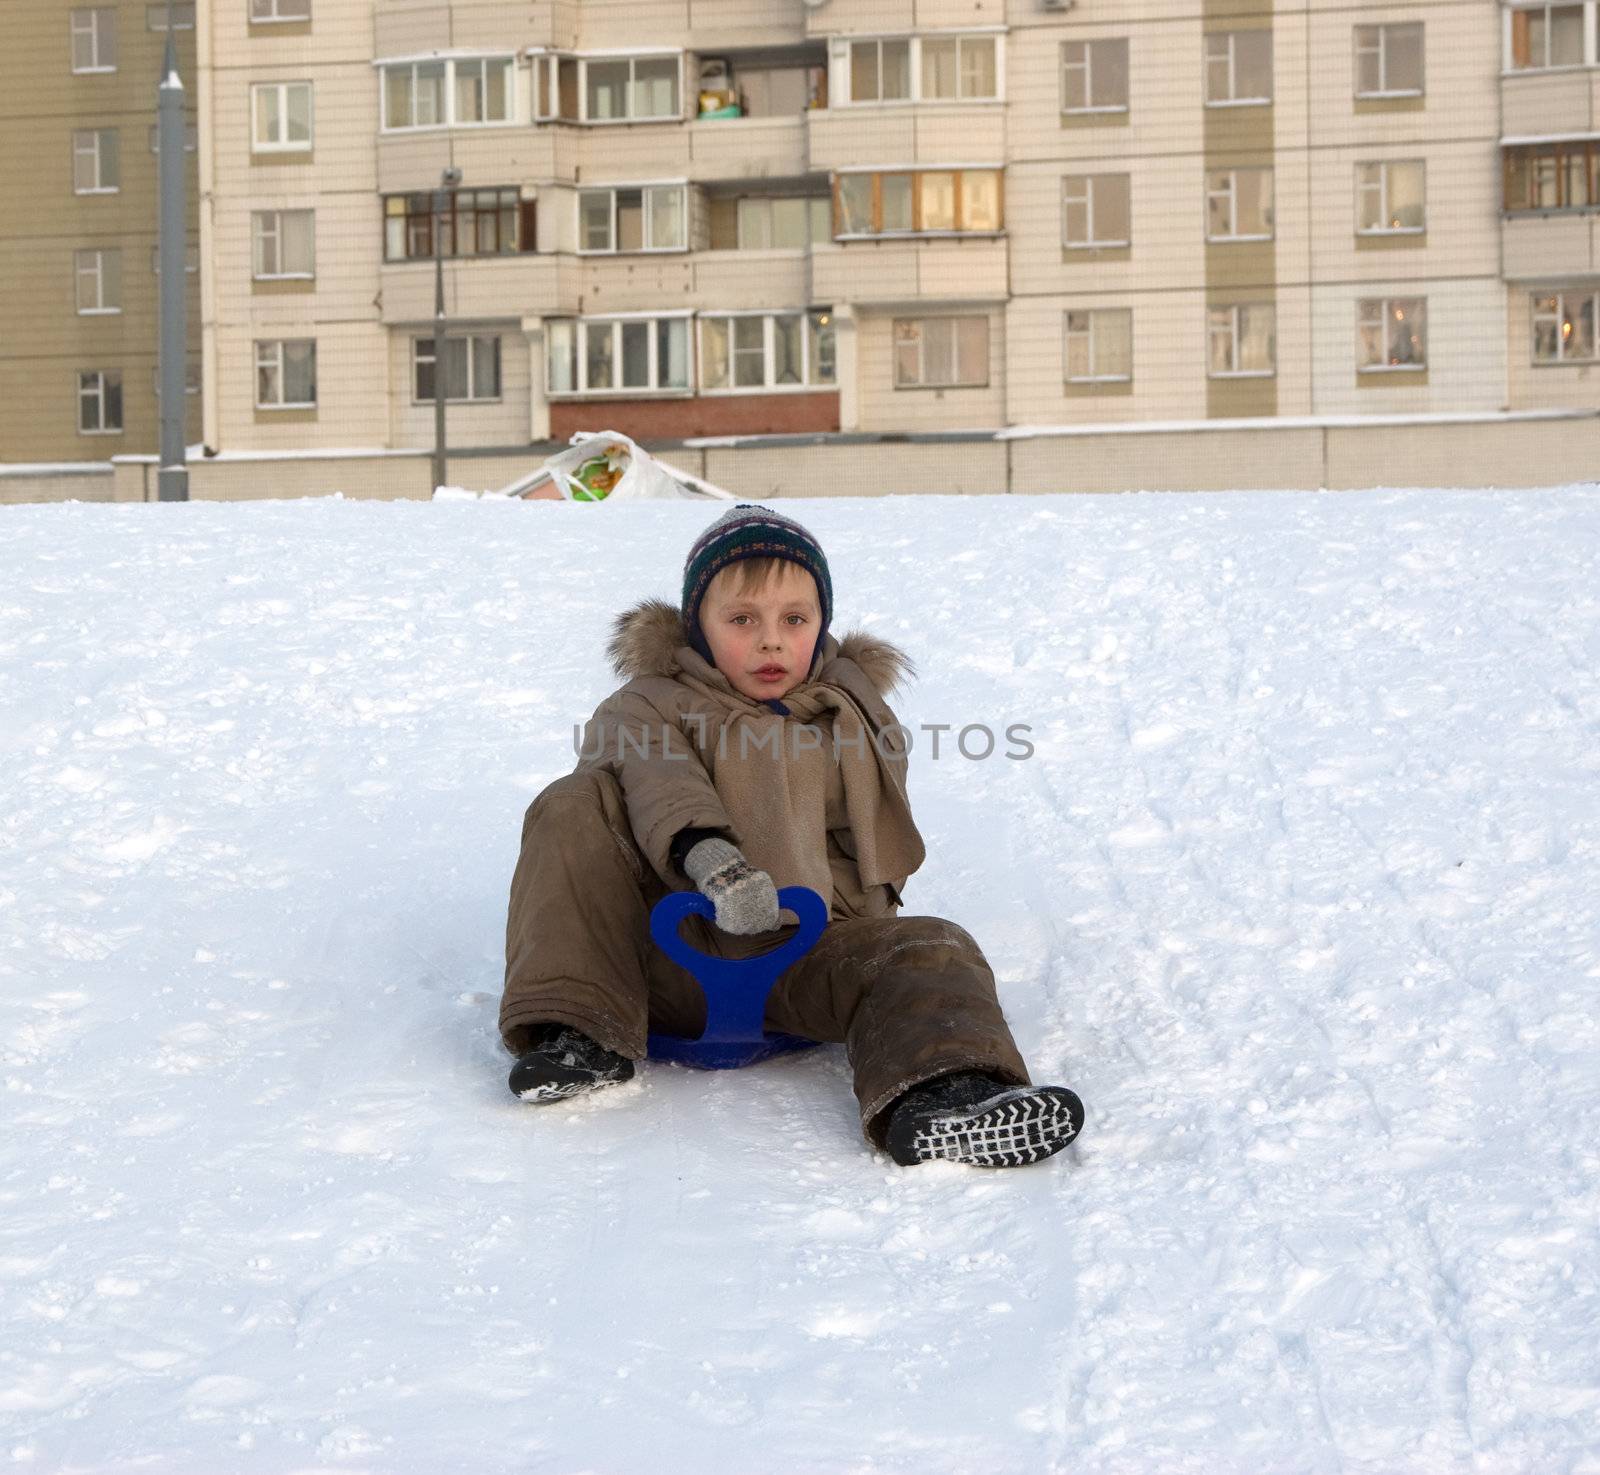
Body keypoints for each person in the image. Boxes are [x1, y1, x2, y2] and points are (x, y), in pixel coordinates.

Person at [498, 504, 1085, 1167]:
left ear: (821, 625)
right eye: (743, 619)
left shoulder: (851, 709)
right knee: (574, 800)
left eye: (794, 620)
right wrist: (710, 858)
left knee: (933, 943)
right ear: (698, 627)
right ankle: (579, 1031)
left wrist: (855, 920)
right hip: (661, 958)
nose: (771, 640)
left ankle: (945, 1095)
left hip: (802, 952)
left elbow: (869, 842)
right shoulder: (650, 703)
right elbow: (654, 772)